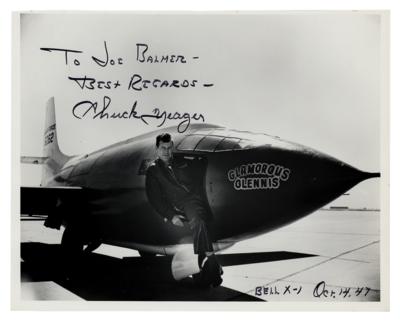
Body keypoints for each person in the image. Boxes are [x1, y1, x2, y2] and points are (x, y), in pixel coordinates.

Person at [145, 133, 223, 287]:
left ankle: (211, 263)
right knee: (198, 221)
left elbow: (197, 173)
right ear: (157, 149)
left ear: (172, 147)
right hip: (178, 203)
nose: (166, 152)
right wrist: (170, 215)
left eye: (168, 148)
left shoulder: (181, 162)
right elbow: (155, 199)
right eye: (162, 148)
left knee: (200, 220)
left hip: (194, 199)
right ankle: (212, 261)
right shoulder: (153, 170)